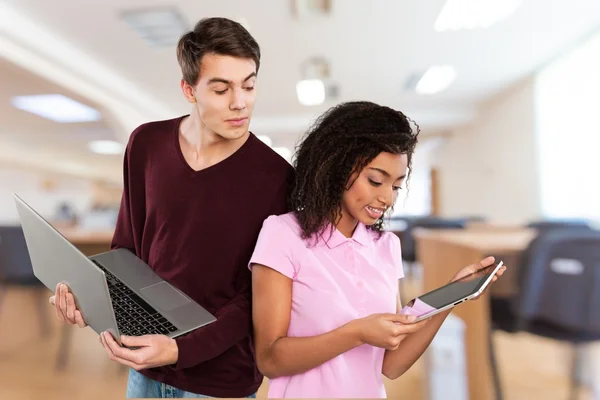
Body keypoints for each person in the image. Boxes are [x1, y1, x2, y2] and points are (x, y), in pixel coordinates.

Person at [49, 17, 294, 398]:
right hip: (146, 369)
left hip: (220, 381)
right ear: (188, 89)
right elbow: (127, 251)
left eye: (249, 84)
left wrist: (181, 348)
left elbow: (260, 298)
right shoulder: (145, 144)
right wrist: (88, 295)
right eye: (221, 89)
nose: (240, 102)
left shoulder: (277, 177)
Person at [249, 101, 506, 398]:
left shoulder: (386, 246)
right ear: (335, 167)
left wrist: (450, 297)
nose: (386, 198)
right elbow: (270, 359)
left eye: (396, 186)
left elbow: (390, 363)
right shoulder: (283, 234)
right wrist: (357, 332)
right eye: (375, 180)